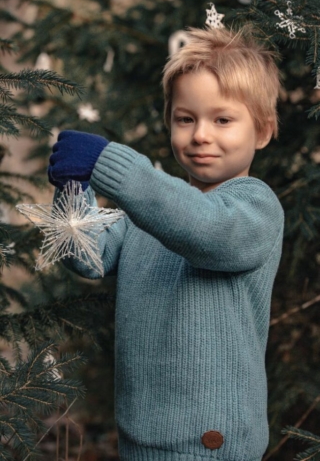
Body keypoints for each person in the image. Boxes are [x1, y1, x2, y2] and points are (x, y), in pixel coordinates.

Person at [48, 26, 284, 461]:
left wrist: (110, 163)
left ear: (264, 131)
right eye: (185, 118)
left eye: (223, 119)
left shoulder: (255, 208)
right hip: (141, 435)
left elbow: (205, 230)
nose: (200, 135)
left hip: (212, 442)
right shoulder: (150, 212)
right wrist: (72, 186)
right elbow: (87, 257)